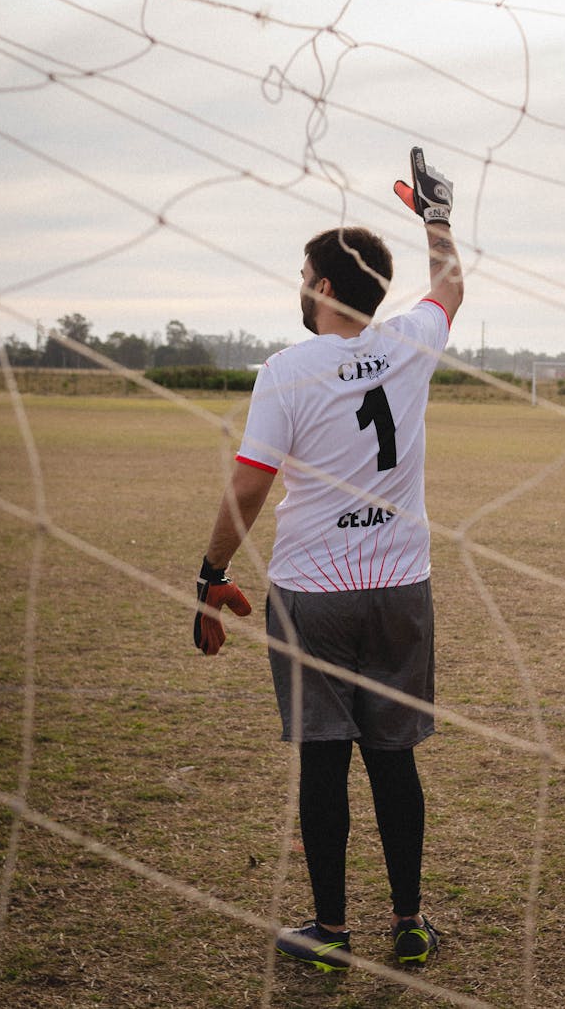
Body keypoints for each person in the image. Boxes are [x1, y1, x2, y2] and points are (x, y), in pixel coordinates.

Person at [193, 148, 463, 973]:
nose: (298, 280)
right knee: (393, 758)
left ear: (323, 288)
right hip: (400, 586)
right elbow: (448, 287)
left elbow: (248, 489)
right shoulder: (411, 342)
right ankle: (411, 923)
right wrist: (436, 214)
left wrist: (210, 574)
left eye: (304, 270)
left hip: (315, 593)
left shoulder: (286, 371)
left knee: (323, 759)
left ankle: (331, 933)